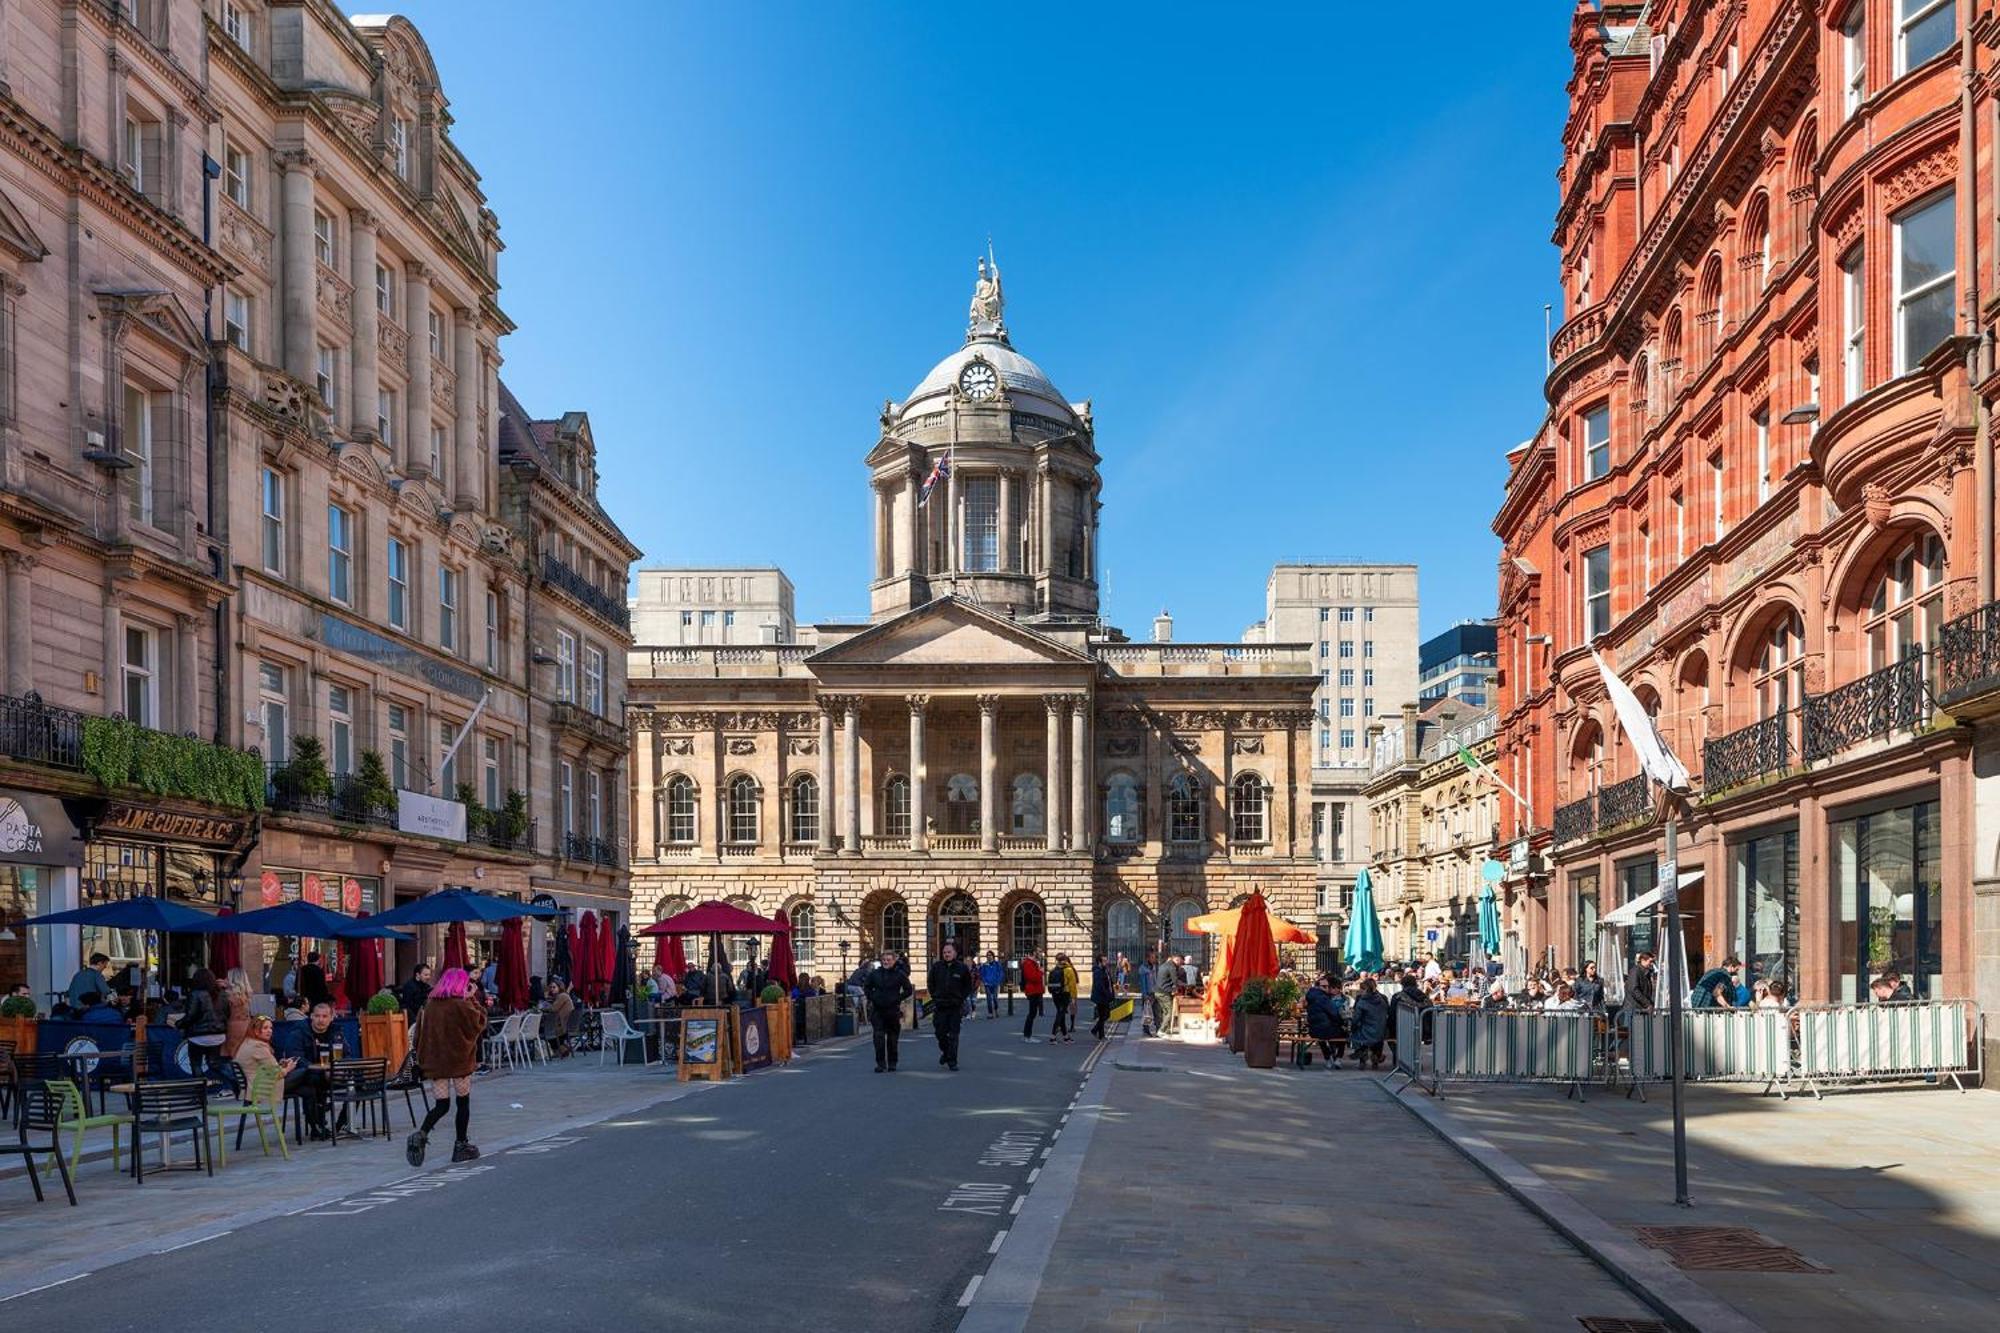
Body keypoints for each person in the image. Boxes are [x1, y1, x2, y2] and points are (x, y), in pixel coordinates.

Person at [407, 967, 487, 1165]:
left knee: (441, 1105)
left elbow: (417, 1035)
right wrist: (472, 998)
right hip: (459, 1060)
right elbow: (480, 1022)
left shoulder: (429, 1004)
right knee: (463, 1102)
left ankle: (422, 1133)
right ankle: (460, 1144)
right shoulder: (462, 1004)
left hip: (436, 1061)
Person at [279, 1001, 346, 1138]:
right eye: (317, 1016)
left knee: (358, 1084)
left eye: (324, 1016)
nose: (321, 1020)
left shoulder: (336, 1032)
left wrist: (337, 1069)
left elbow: (347, 1054)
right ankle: (317, 1125)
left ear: (331, 1018)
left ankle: (341, 1124)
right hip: (307, 1076)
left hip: (330, 1074)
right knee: (313, 1081)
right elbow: (295, 1057)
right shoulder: (299, 1032)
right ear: (311, 1017)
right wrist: (319, 1070)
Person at [863, 949, 913, 1072]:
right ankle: (880, 1064)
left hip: (893, 1010)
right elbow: (867, 987)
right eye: (884, 960)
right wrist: (873, 997)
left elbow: (908, 990)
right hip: (878, 1010)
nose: (886, 962)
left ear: (894, 961)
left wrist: (898, 998)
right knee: (878, 1038)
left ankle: (892, 1062)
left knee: (892, 1039)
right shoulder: (875, 974)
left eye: (888, 960)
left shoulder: (899, 974)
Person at [928, 943, 973, 1070]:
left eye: (949, 952)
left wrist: (960, 998)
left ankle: (952, 1061)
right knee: (940, 1033)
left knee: (954, 1035)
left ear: (954, 953)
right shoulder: (937, 967)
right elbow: (930, 983)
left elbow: (967, 986)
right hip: (940, 1005)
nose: (946, 954)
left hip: (955, 1006)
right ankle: (946, 1053)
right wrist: (935, 997)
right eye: (944, 952)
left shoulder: (962, 968)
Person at [232, 1014, 299, 1100]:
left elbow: (263, 1067)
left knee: (307, 1089)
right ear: (256, 1030)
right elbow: (277, 1074)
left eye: (271, 1028)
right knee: (305, 1072)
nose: (269, 1031)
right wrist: (288, 1068)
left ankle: (313, 1111)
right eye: (265, 1028)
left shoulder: (248, 1042)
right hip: (263, 1088)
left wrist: (280, 1065)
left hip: (256, 1085)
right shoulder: (258, 1047)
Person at [180, 967, 229, 1080]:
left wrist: (179, 1024)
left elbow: (190, 1016)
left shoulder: (195, 994)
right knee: (214, 1063)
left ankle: (200, 1093)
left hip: (198, 1036)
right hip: (218, 1035)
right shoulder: (222, 994)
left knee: (196, 1065)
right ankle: (235, 1079)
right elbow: (227, 1013)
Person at [1304, 973, 1347, 1069]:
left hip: (1313, 1030)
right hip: (1326, 1030)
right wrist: (1341, 1022)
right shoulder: (1324, 998)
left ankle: (1328, 1058)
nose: (1327, 988)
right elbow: (1335, 1014)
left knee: (1321, 1038)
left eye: (1328, 986)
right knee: (1343, 1034)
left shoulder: (1311, 996)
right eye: (1324, 986)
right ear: (1318, 986)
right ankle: (1338, 1058)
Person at [1348, 977, 1390, 1069]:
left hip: (1366, 1030)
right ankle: (1376, 1055)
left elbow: (1356, 1018)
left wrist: (1352, 1028)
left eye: (1360, 989)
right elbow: (1387, 1012)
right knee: (1377, 1035)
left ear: (1364, 989)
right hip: (1381, 1029)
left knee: (1357, 1031)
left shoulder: (1361, 1000)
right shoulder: (1383, 998)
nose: (1359, 991)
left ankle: (1362, 1056)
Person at [221, 967, 254, 1058]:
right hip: (247, 1026)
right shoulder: (246, 995)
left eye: (227, 977)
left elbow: (223, 1013)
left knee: (231, 1056)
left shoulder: (228, 995)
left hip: (232, 1028)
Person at [1019, 951, 1046, 1041]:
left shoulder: (1033, 963)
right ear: (1034, 953)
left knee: (1033, 1013)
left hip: (1036, 990)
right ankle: (1027, 1036)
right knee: (1032, 1013)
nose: (1041, 953)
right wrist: (1041, 972)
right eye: (1039, 951)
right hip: (1032, 990)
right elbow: (1031, 977)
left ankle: (1027, 1035)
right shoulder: (1028, 963)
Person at [1048, 953, 1073, 1043]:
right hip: (1064, 993)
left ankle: (1066, 1036)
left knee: (1061, 1014)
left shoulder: (1053, 970)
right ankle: (1053, 1035)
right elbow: (1072, 985)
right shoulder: (1068, 970)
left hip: (1055, 994)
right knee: (1060, 1014)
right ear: (1065, 960)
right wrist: (1073, 997)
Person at [1089, 952, 1113, 1040]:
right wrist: (1107, 994)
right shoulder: (1097, 971)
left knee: (1105, 1015)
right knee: (1104, 1015)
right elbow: (1100, 985)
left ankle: (1097, 1032)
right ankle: (1099, 1033)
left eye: (1106, 960)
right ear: (1099, 962)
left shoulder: (1104, 970)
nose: (1106, 962)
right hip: (1101, 997)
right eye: (1104, 961)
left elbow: (1109, 982)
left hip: (1105, 996)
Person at [979, 952, 1004, 1019]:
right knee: (989, 999)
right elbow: (981, 974)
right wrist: (984, 981)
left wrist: (998, 981)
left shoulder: (997, 964)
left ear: (993, 956)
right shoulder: (984, 965)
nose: (989, 957)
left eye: (990, 955)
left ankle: (996, 1009)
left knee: (995, 998)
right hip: (987, 984)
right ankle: (990, 1013)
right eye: (987, 955)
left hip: (995, 984)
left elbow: (1001, 973)